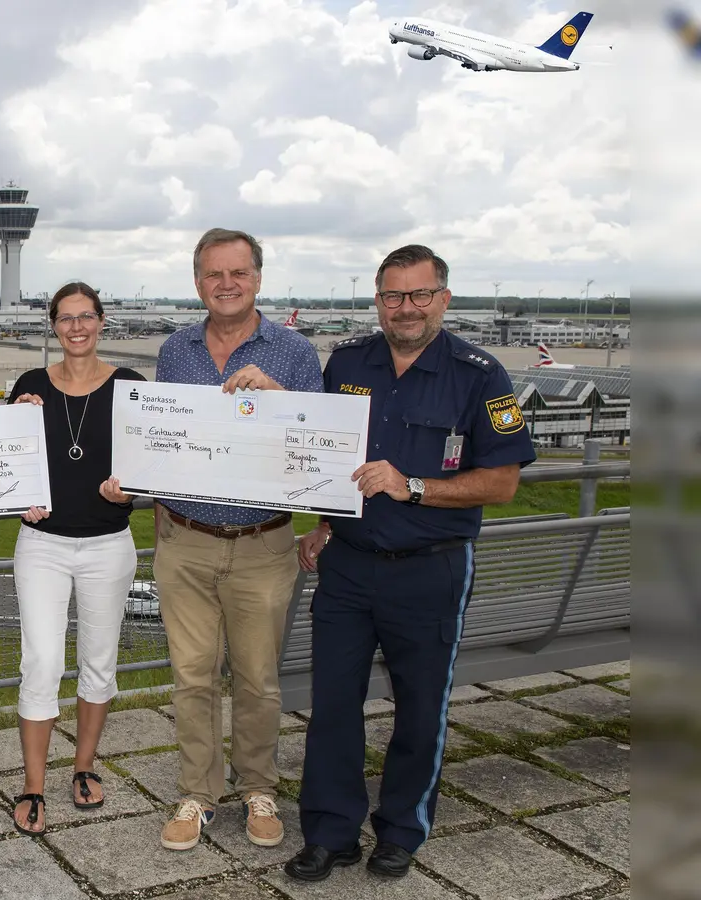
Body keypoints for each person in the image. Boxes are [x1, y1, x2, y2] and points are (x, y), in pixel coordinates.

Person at [285, 245, 536, 882]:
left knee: (421, 707)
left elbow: (502, 482)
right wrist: (321, 524)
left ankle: (402, 828)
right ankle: (331, 831)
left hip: (431, 569)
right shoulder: (346, 362)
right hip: (347, 567)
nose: (406, 307)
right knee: (332, 704)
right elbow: (321, 453)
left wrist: (413, 486)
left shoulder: (483, 376)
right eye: (394, 295)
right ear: (378, 300)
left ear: (443, 299)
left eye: (420, 295)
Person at [153, 227, 323, 852]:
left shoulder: (295, 353)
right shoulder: (175, 350)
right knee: (192, 676)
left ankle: (259, 786)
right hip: (186, 540)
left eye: (238, 274)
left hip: (262, 543)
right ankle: (197, 792)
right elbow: (163, 443)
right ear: (197, 282)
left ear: (258, 278)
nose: (226, 285)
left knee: (257, 679)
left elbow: (318, 448)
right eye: (213, 275)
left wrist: (279, 400)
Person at [5, 282, 147, 836]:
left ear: (101, 320)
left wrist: (129, 493)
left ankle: (83, 767)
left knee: (99, 662)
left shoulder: (131, 386)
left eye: (86, 316)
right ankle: (33, 783)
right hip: (42, 544)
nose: (77, 327)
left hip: (108, 544)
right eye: (66, 318)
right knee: (41, 662)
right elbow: (7, 460)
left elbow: (149, 463)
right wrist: (14, 416)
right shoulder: (31, 384)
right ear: (54, 326)